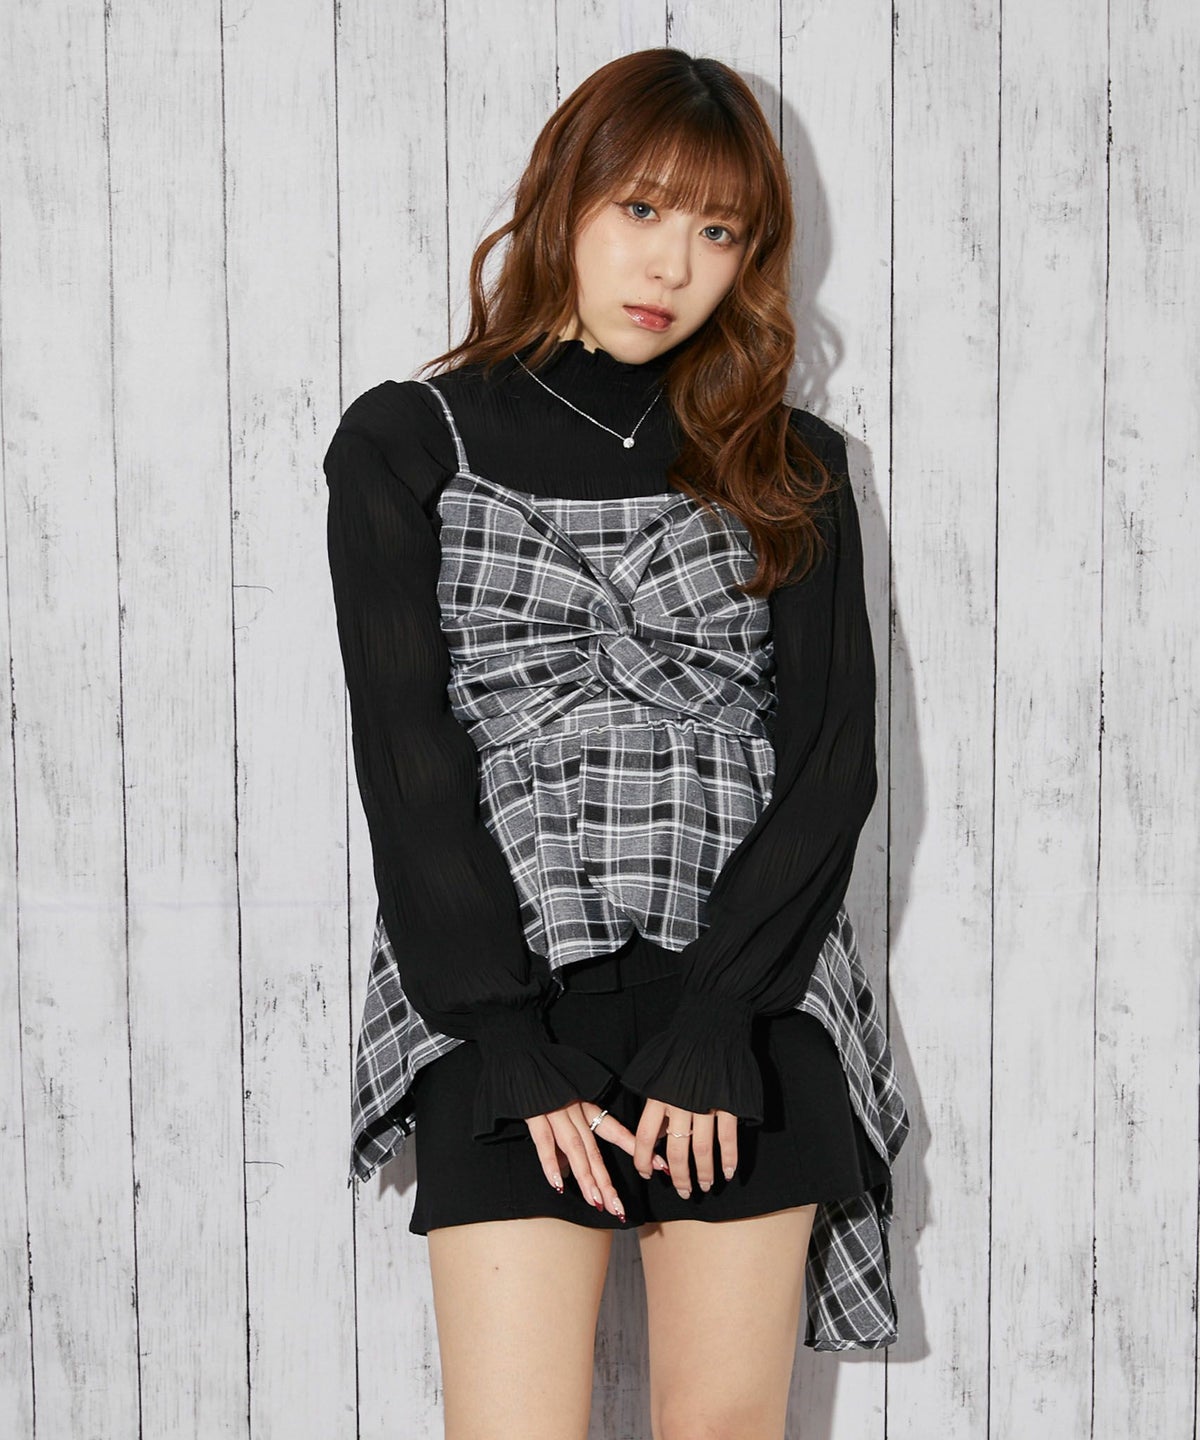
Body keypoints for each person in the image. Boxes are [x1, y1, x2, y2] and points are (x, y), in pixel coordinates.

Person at [323, 47, 908, 1440]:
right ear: (563, 200)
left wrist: (719, 1020)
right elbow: (407, 766)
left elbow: (832, 761)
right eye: (641, 209)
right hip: (505, 988)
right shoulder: (410, 439)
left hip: (749, 990)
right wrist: (501, 1038)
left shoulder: (793, 462)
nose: (672, 265)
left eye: (719, 232)